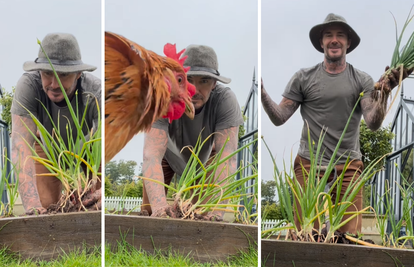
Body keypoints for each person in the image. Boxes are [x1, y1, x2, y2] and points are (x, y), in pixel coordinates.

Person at [261, 14, 411, 234]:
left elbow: (373, 122)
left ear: (348, 43)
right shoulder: (303, 78)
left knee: (347, 237)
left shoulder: (362, 79)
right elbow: (280, 117)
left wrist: (384, 95)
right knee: (306, 235)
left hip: (348, 166)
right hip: (309, 166)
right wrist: (263, 95)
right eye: (328, 35)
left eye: (340, 35)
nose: (334, 40)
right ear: (321, 42)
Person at [141, 44, 244, 220]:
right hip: (166, 154)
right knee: (149, 212)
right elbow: (151, 156)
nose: (194, 90)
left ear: (214, 84)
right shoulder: (161, 99)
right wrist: (159, 208)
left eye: (204, 80)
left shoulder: (225, 101)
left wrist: (216, 213)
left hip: (206, 160)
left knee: (202, 215)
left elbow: (226, 159)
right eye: (188, 80)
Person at [11, 33, 101, 215]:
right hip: (47, 146)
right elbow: (21, 146)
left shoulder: (95, 93)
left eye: (63, 75)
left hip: (88, 150)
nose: (54, 84)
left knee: (94, 206)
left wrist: (103, 190)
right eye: (47, 73)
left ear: (78, 74)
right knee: (45, 206)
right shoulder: (29, 86)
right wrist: (32, 206)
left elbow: (111, 143)